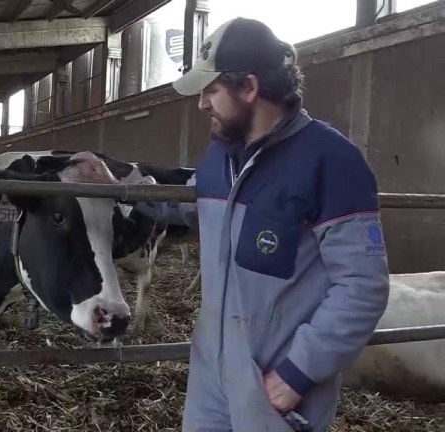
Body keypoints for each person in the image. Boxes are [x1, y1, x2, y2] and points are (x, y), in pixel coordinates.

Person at [131, 17, 390, 431]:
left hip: (275, 386)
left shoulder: (332, 162)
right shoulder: (220, 158)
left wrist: (297, 374)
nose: (202, 104)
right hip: (211, 375)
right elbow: (189, 210)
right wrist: (120, 190)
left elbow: (362, 286)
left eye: (211, 90)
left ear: (249, 88)